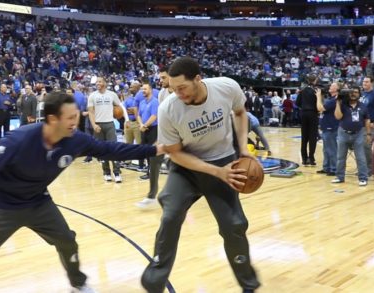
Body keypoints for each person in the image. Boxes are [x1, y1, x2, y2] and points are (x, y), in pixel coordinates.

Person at [0, 91, 164, 293]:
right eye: (71, 118)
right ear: (53, 119)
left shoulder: (75, 140)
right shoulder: (19, 139)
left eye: (77, 116)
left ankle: (78, 283)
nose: (76, 122)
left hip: (37, 202)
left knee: (67, 241)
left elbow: (111, 149)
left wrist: (153, 149)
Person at [141, 57, 260, 293]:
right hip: (185, 168)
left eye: (182, 88)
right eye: (173, 89)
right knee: (170, 216)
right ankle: (153, 282)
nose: (178, 93)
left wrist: (243, 148)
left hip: (223, 160)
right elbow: (175, 153)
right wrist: (216, 171)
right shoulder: (169, 108)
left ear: (198, 78)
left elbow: (239, 112)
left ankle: (249, 284)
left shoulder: (226, 87)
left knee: (234, 225)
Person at [136, 67, 172, 209]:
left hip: (185, 135)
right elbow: (162, 117)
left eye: (163, 77)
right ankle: (152, 196)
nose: (160, 80)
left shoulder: (182, 93)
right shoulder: (162, 94)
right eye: (160, 77)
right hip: (168, 134)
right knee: (154, 160)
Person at [87, 76, 129, 183]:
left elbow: (121, 107)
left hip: (110, 124)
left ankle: (117, 172)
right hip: (98, 125)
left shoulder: (112, 94)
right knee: (102, 151)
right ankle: (106, 173)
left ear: (105, 83)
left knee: (113, 148)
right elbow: (91, 112)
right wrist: (94, 125)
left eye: (100, 81)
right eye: (96, 82)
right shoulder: (92, 96)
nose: (98, 83)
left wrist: (126, 119)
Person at [331, 86, 370, 186]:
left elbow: (367, 120)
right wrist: (338, 103)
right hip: (343, 133)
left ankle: (363, 178)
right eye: (351, 92)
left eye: (356, 92)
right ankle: (339, 177)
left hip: (359, 134)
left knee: (360, 157)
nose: (353, 94)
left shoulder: (363, 106)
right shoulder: (343, 104)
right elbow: (337, 117)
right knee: (340, 157)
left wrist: (368, 134)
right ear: (348, 94)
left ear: (359, 94)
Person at [316, 82, 340, 176]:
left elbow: (320, 108)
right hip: (326, 127)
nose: (329, 86)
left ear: (337, 89)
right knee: (326, 149)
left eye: (332, 86)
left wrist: (318, 96)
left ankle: (334, 169)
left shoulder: (335, 99)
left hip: (331, 127)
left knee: (332, 149)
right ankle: (326, 167)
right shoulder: (330, 99)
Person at [296, 75, 319, 166]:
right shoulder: (316, 91)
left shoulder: (302, 90)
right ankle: (311, 158)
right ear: (315, 80)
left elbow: (297, 103)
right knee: (312, 137)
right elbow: (319, 104)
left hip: (304, 114)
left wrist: (304, 107)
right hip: (313, 113)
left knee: (304, 137)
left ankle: (304, 159)